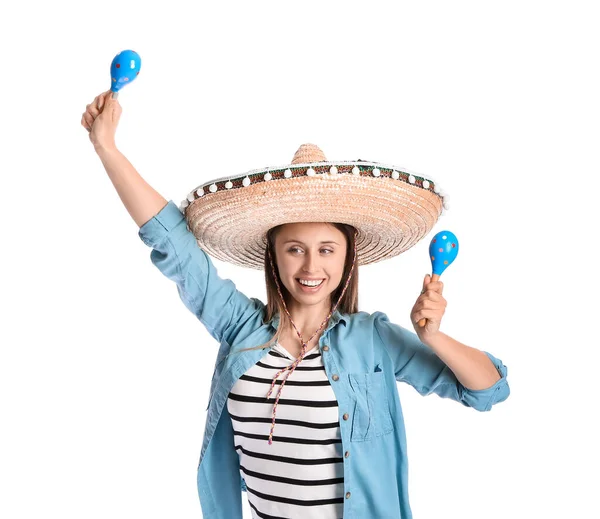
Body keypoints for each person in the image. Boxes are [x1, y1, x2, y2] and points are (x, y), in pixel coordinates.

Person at [81, 91, 510, 519]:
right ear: (273, 255)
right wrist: (108, 149)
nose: (310, 265)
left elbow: (488, 389)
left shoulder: (371, 340)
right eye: (294, 249)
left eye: (326, 249)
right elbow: (173, 243)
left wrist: (432, 336)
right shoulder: (239, 327)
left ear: (347, 257)